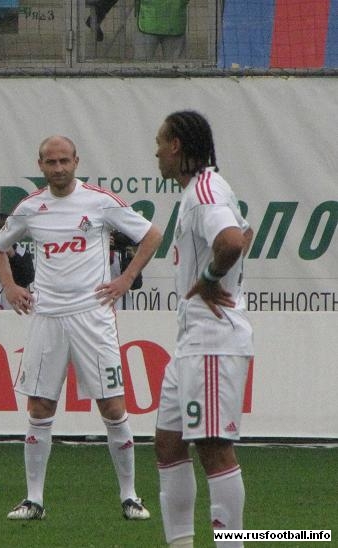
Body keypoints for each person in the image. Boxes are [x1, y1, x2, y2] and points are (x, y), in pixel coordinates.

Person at [0, 135, 163, 521]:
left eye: (64, 161)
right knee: (39, 406)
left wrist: (126, 279)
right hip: (48, 317)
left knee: (113, 406)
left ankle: (130, 497)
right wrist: (11, 287)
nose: (59, 168)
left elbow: (152, 235)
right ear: (40, 165)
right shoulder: (31, 208)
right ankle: (34, 500)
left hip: (92, 317)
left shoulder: (99, 202)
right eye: (51, 162)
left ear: (76, 161)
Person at [153, 111, 253, 548]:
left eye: (160, 143)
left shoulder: (204, 192)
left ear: (175, 145)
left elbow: (231, 241)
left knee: (213, 447)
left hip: (213, 338)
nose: (156, 153)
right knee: (168, 443)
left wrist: (212, 278)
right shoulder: (202, 189)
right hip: (191, 341)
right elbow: (245, 234)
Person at [110, 231, 143, 310]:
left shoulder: (123, 253)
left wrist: (133, 259)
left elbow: (136, 285)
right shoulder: (95, 251)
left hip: (123, 304)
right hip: (101, 303)